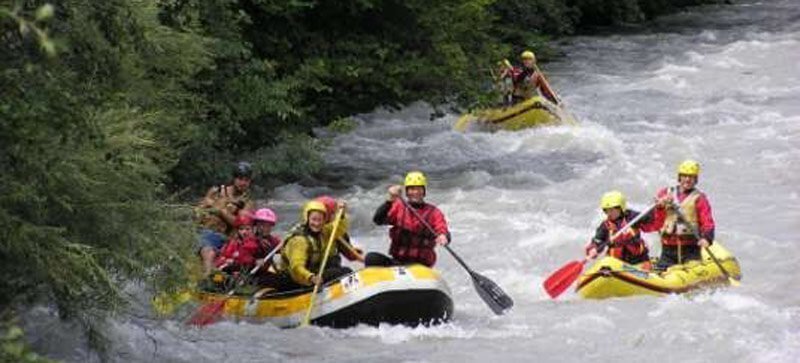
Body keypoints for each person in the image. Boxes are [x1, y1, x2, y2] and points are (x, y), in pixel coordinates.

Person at [369, 171, 450, 267]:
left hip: (420, 265)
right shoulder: (398, 206)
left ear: (423, 191)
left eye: (419, 189)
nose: (415, 192)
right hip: (399, 262)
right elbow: (378, 220)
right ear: (407, 191)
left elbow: (442, 227)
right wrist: (390, 200)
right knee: (371, 258)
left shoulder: (433, 212)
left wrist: (443, 236)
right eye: (411, 189)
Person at [195, 161, 257, 275]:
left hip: (227, 237)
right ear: (234, 179)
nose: (243, 183)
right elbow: (198, 212)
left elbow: (239, 224)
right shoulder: (217, 191)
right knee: (206, 243)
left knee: (210, 247)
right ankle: (207, 276)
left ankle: (211, 278)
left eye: (246, 180)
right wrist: (204, 207)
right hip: (206, 231)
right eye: (240, 179)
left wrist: (219, 210)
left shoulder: (248, 202)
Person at [654, 159, 716, 270]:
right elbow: (656, 222)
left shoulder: (700, 198)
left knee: (692, 269)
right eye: (685, 176)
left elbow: (707, 222)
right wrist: (659, 206)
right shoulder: (665, 193)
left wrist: (707, 238)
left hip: (690, 250)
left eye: (691, 177)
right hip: (668, 249)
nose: (687, 180)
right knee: (661, 271)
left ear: (695, 179)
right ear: (679, 177)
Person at [278, 200, 353, 290]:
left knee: (338, 264)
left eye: (320, 220)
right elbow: (296, 267)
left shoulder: (323, 231)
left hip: (312, 272)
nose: (317, 223)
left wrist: (341, 215)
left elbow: (337, 228)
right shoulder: (299, 241)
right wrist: (311, 277)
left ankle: (350, 292)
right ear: (307, 219)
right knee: (345, 272)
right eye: (314, 219)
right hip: (296, 279)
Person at [584, 191, 666, 270]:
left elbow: (656, 225)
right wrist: (593, 249)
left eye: (612, 210)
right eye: (606, 210)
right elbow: (597, 240)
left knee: (641, 271)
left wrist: (660, 209)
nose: (609, 213)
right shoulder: (605, 226)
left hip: (638, 263)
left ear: (621, 208)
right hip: (617, 265)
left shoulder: (633, 218)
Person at [316, 195, 365, 263]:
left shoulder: (336, 231)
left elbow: (350, 256)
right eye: (333, 213)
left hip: (332, 266)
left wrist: (353, 252)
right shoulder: (307, 233)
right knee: (346, 270)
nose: (335, 215)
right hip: (316, 269)